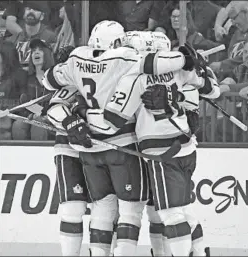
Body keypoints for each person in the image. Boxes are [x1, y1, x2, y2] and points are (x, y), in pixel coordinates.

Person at [42, 20, 197, 256]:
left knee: (99, 209)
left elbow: (50, 90)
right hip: (124, 143)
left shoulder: (77, 61)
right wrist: (185, 59)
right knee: (144, 210)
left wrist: (74, 119)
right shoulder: (126, 62)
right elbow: (157, 70)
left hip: (83, 147)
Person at [86, 31, 220, 256]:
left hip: (160, 153)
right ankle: (198, 252)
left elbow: (113, 121)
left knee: (171, 214)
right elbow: (212, 90)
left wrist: (82, 116)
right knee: (181, 209)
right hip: (186, 147)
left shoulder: (134, 77)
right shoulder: (178, 69)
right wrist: (199, 67)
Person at [44, 45, 91, 256]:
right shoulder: (71, 80)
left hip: (99, 151)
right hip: (69, 149)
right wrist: (70, 121)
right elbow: (54, 109)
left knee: (107, 210)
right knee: (73, 209)